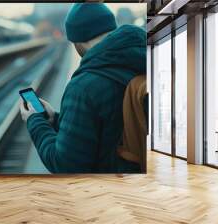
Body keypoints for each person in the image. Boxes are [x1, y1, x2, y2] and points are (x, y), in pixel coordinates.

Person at [19, 3, 147, 173]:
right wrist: (57, 121)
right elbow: (106, 128)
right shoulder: (146, 60)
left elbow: (65, 165)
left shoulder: (83, 87)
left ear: (78, 41)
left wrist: (35, 121)